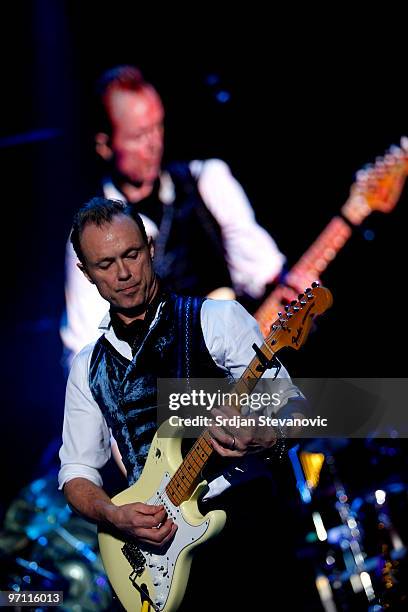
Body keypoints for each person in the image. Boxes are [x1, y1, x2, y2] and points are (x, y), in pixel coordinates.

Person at [59, 198, 307, 609]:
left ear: (151, 248)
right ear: (86, 273)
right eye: (105, 264)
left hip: (246, 531)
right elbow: (77, 471)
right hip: (157, 556)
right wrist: (113, 515)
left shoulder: (217, 320)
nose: (123, 274)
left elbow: (298, 410)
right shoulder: (87, 367)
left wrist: (265, 435)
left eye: (132, 254)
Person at [61, 65, 285, 362]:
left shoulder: (208, 180)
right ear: (104, 145)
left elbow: (263, 274)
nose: (154, 144)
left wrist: (284, 286)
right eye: (139, 135)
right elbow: (83, 353)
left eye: (158, 127)